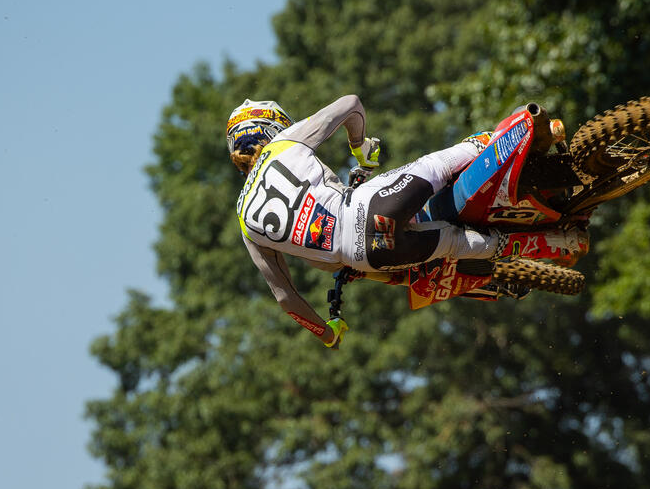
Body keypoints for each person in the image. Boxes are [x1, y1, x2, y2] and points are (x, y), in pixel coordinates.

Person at [226, 96, 585, 346]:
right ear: (272, 126)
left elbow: (286, 297)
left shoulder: (245, 224)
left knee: (453, 242)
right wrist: (359, 146)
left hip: (370, 256)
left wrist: (328, 333)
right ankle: (500, 140)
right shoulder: (283, 144)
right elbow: (351, 103)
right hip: (371, 206)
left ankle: (550, 243)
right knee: (436, 166)